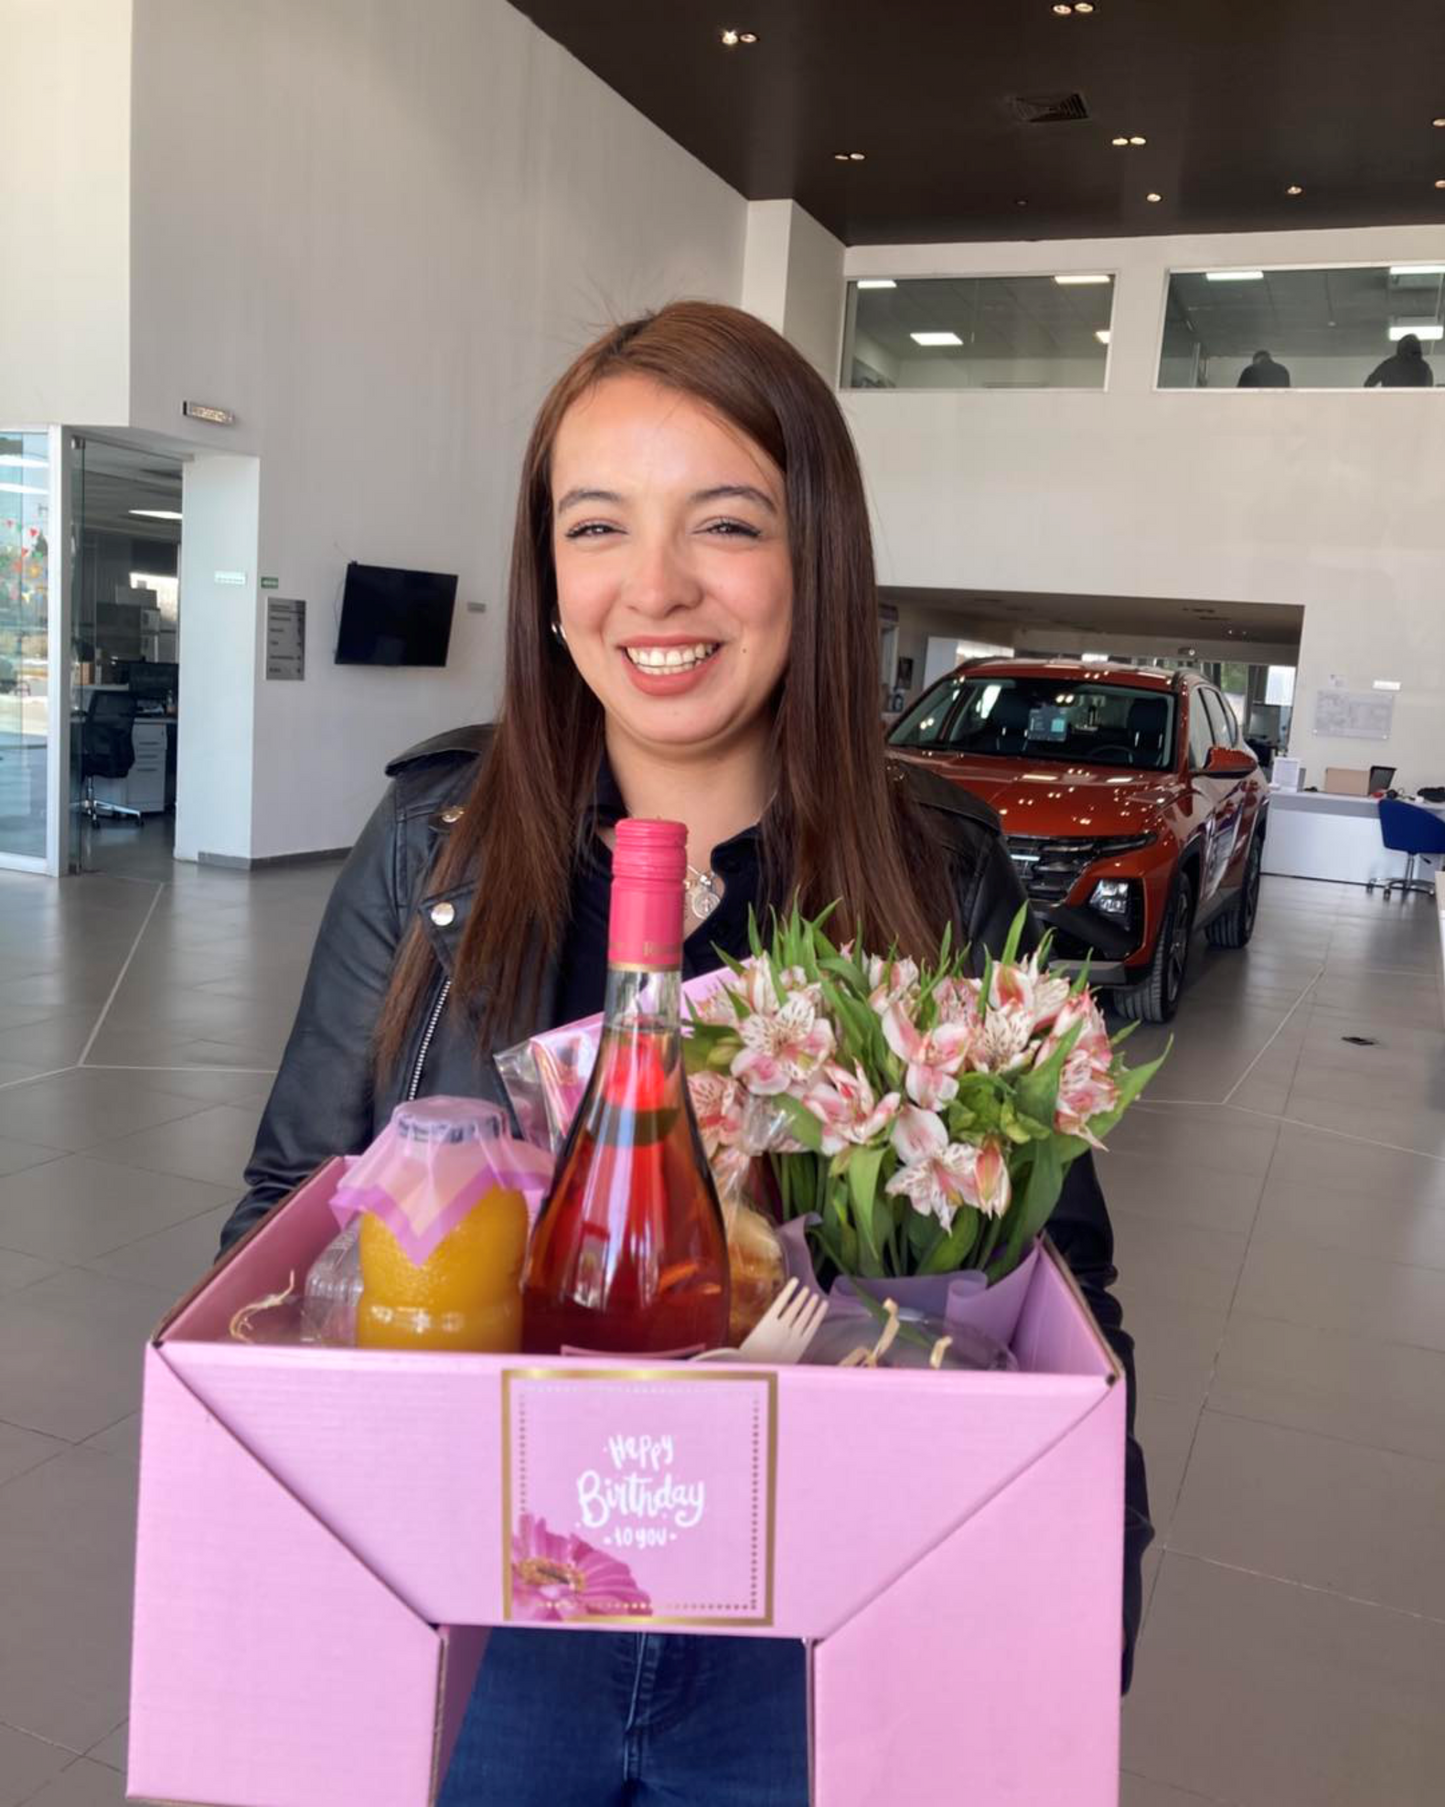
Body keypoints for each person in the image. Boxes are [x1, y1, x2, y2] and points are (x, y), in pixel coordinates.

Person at [219, 301, 1152, 1805]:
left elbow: (1061, 1286)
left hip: (812, 1627)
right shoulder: (425, 851)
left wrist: (1074, 1589)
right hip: (491, 1607)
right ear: (547, 581)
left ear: (815, 562)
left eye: (723, 523)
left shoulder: (939, 873)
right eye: (596, 528)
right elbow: (282, 1214)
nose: (652, 586)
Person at [1364, 332, 1435, 387]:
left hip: (1392, 402)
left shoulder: (1388, 364)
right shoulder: (1424, 367)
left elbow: (1369, 384)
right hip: (1415, 403)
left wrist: (1378, 401)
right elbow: (1429, 391)